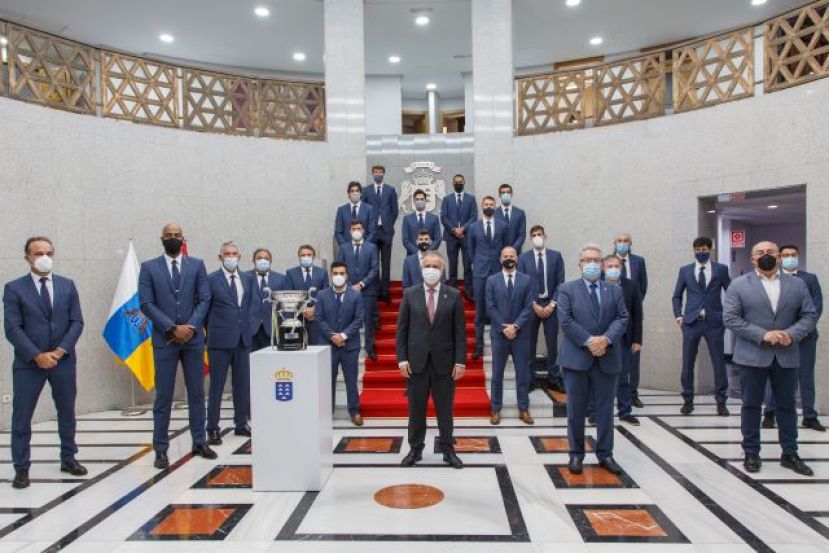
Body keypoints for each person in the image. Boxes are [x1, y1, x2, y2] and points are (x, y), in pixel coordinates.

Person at [723, 241, 817, 476]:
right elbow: (731, 318)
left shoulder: (797, 284)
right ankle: (752, 452)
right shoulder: (739, 285)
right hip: (752, 356)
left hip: (787, 355)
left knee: (787, 406)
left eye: (771, 252)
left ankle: (790, 453)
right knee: (751, 406)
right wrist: (763, 335)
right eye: (760, 253)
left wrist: (791, 335)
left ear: (779, 257)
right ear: (752, 258)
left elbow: (809, 314)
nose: (766, 256)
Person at [4, 237, 85, 489]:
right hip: (29, 363)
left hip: (63, 361)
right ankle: (21, 467)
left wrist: (60, 351)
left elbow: (77, 322)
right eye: (38, 253)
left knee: (67, 412)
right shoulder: (14, 288)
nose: (44, 257)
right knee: (22, 416)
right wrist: (37, 355)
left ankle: (69, 458)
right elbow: (12, 328)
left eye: (48, 252)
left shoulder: (67, 285)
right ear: (27, 256)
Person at [138, 223, 216, 469]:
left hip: (193, 340)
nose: (173, 239)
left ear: (184, 239)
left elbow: (204, 299)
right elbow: (146, 303)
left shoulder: (197, 265)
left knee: (196, 394)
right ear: (161, 238)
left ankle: (199, 441)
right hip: (165, 340)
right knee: (163, 396)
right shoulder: (149, 267)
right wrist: (172, 328)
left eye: (177, 236)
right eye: (169, 236)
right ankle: (161, 449)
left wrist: (190, 327)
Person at [557, 245, 629, 475]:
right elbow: (566, 321)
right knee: (575, 411)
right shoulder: (567, 289)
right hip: (577, 360)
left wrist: (606, 340)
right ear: (579, 264)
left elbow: (622, 317)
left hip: (607, 359)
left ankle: (605, 454)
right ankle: (576, 455)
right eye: (587, 260)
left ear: (602, 264)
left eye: (596, 260)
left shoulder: (614, 290)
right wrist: (590, 341)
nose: (592, 264)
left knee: (606, 411)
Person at [397, 251, 467, 469]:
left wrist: (460, 361)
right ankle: (415, 450)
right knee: (416, 410)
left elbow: (460, 333)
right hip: (416, 363)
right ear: (421, 268)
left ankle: (448, 450)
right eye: (427, 265)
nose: (431, 270)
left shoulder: (454, 295)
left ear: (443, 269)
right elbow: (402, 330)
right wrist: (402, 359)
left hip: (444, 364)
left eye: (435, 266)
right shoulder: (409, 294)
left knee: (444, 410)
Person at [763, 245, 824, 432]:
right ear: (779, 258)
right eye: (786, 255)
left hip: (805, 337)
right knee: (776, 376)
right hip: (780, 337)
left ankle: (809, 415)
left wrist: (799, 332)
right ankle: (770, 413)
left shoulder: (809, 279)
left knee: (806, 377)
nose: (790, 258)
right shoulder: (773, 279)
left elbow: (816, 308)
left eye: (794, 255)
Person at [671, 236, 731, 416]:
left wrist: (727, 315)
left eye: (704, 249)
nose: (701, 252)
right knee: (688, 362)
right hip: (691, 323)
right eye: (697, 249)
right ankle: (688, 400)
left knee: (718, 362)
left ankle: (721, 401)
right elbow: (677, 296)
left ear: (710, 250)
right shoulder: (685, 271)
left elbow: (732, 293)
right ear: (694, 250)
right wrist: (679, 316)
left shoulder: (721, 269)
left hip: (714, 323)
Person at [205, 242, 253, 446]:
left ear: (239, 256)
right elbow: (205, 309)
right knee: (217, 386)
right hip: (219, 341)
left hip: (242, 340)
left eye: (234, 254)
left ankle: (241, 423)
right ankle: (213, 428)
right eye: (227, 254)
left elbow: (248, 307)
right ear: (220, 257)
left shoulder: (247, 279)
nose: (231, 257)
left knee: (242, 385)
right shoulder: (210, 280)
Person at [486, 247, 535, 425]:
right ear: (500, 259)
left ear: (517, 258)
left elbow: (529, 306)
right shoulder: (491, 280)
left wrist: (515, 326)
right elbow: (490, 307)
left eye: (511, 256)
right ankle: (495, 409)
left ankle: (523, 409)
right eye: (505, 256)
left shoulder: (527, 280)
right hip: (499, 335)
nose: (508, 258)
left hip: (520, 334)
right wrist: (503, 327)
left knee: (523, 373)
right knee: (497, 374)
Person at [315, 262, 365, 426]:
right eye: (335, 273)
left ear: (347, 275)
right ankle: (327, 412)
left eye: (341, 273)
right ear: (331, 275)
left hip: (350, 346)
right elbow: (319, 318)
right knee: (328, 379)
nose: (338, 276)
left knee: (351, 380)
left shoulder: (356, 295)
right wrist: (332, 336)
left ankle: (355, 411)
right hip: (328, 345)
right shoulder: (322, 295)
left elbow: (358, 320)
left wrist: (343, 336)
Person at [518, 225, 565, 390]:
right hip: (532, 305)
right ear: (530, 239)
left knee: (552, 344)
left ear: (545, 236)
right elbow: (522, 284)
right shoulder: (523, 258)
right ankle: (530, 379)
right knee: (530, 343)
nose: (537, 237)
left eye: (539, 234)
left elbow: (560, 282)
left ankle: (554, 378)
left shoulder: (556, 256)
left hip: (551, 304)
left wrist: (552, 304)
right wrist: (533, 305)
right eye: (534, 235)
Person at [603, 255, 643, 426]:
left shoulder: (631, 285)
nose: (613, 268)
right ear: (604, 268)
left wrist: (637, 339)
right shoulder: (597, 284)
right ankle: (594, 412)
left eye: (616, 265)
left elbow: (637, 314)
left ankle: (625, 411)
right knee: (599, 377)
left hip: (624, 338)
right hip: (601, 338)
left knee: (623, 376)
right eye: (610, 265)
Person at [468, 195, 508, 358]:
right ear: (482, 206)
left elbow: (506, 248)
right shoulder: (473, 227)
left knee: (498, 308)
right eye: (486, 204)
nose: (489, 206)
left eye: (491, 204)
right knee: (480, 310)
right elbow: (470, 250)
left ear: (495, 206)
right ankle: (478, 346)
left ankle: (499, 345)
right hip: (480, 272)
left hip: (498, 271)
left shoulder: (503, 225)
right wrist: (476, 264)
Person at [612, 233, 648, 407]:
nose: (622, 243)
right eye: (619, 241)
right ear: (614, 243)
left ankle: (632, 393)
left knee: (633, 360)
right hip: (610, 320)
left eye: (625, 241)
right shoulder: (608, 262)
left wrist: (634, 305)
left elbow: (643, 287)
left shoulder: (638, 261)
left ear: (631, 243)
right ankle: (613, 393)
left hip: (632, 317)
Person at [336, 220, 379, 360]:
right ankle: (348, 345)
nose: (356, 230)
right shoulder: (343, 248)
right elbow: (339, 268)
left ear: (363, 230)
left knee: (368, 320)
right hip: (347, 290)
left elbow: (375, 268)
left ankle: (369, 346)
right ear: (349, 231)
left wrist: (361, 284)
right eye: (353, 228)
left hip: (367, 290)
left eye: (358, 228)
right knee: (348, 318)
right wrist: (348, 285)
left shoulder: (372, 247)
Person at [362, 165, 399, 303]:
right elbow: (364, 210)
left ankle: (385, 291)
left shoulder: (390, 190)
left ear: (384, 173)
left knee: (386, 262)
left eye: (380, 172)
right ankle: (376, 291)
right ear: (372, 174)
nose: (378, 174)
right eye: (375, 172)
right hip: (371, 231)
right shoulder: (366, 190)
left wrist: (388, 223)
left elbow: (394, 210)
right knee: (374, 262)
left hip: (386, 230)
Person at [440, 174, 477, 299]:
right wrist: (454, 229)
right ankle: (452, 291)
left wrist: (463, 229)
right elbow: (444, 217)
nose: (458, 183)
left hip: (467, 236)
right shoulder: (447, 199)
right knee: (453, 264)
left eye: (460, 181)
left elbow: (474, 217)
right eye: (456, 182)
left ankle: (468, 291)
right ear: (452, 183)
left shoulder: (471, 199)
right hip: (451, 236)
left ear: (464, 182)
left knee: (467, 265)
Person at [285, 244, 329, 346]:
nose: (306, 257)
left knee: (316, 349)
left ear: (313, 256)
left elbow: (325, 295)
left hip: (316, 319)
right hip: (297, 319)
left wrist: (314, 309)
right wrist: (304, 310)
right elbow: (289, 295)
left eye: (309, 254)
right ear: (299, 257)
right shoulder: (290, 273)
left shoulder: (322, 273)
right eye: (303, 255)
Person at [246, 247, 286, 351]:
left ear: (270, 261)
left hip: (272, 330)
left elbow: (284, 304)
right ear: (253, 261)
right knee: (248, 364)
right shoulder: (245, 277)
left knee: (271, 364)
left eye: (266, 258)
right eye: (259, 258)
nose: (263, 261)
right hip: (250, 329)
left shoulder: (281, 279)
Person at [334, 181, 377, 246]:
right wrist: (345, 247)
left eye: (357, 191)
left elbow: (372, 232)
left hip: (364, 249)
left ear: (361, 193)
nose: (355, 193)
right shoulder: (341, 210)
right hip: (346, 248)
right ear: (348, 194)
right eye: (352, 191)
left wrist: (364, 246)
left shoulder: (369, 209)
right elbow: (338, 232)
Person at [401, 188, 442, 255]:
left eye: (422, 199)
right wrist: (418, 253)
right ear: (414, 201)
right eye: (417, 199)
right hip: (412, 256)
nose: (419, 201)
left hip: (430, 256)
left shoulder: (434, 218)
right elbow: (406, 240)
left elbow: (438, 239)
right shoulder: (407, 219)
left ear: (425, 201)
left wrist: (428, 252)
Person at [495, 184, 527, 252]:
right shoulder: (494, 213)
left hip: (516, 253)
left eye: (508, 192)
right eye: (503, 192)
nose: (505, 194)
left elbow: (522, 234)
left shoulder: (520, 213)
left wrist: (513, 249)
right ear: (499, 195)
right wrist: (502, 250)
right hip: (498, 253)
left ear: (511, 194)